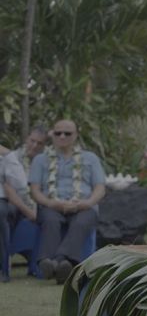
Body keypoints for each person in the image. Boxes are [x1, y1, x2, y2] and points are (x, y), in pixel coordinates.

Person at [29, 119, 106, 283]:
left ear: (76, 135)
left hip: (83, 205)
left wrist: (87, 203)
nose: (62, 136)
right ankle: (63, 264)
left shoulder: (90, 158)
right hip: (51, 205)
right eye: (58, 133)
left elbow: (100, 188)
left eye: (67, 133)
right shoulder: (40, 160)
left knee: (81, 221)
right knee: (50, 219)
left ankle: (55, 263)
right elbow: (35, 190)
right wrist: (51, 203)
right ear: (53, 135)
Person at [0, 127, 48, 282]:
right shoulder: (13, 158)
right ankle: (4, 268)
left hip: (38, 206)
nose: (34, 146)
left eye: (39, 143)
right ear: (27, 139)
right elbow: (9, 191)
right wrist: (29, 212)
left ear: (43, 146)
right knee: (5, 210)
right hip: (17, 205)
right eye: (32, 141)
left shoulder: (45, 163)